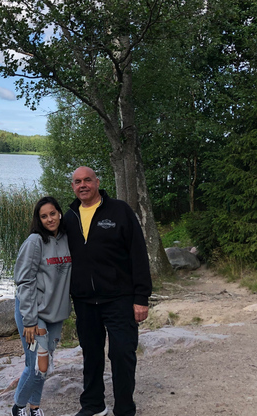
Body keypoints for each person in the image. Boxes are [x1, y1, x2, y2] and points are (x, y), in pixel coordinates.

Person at [64, 166, 152, 416]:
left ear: (97, 182)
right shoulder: (69, 217)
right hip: (84, 301)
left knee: (122, 353)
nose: (83, 185)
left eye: (87, 180)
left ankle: (124, 408)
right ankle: (93, 405)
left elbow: (138, 254)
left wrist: (141, 297)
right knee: (91, 355)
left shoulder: (119, 210)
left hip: (119, 298)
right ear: (73, 186)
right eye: (77, 181)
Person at [12, 196, 73, 416]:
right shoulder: (35, 242)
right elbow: (25, 281)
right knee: (38, 364)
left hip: (56, 312)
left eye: (53, 214)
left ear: (60, 213)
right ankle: (18, 408)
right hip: (34, 311)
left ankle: (35, 407)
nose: (49, 219)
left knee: (44, 366)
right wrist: (29, 320)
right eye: (44, 216)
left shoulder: (67, 238)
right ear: (39, 219)